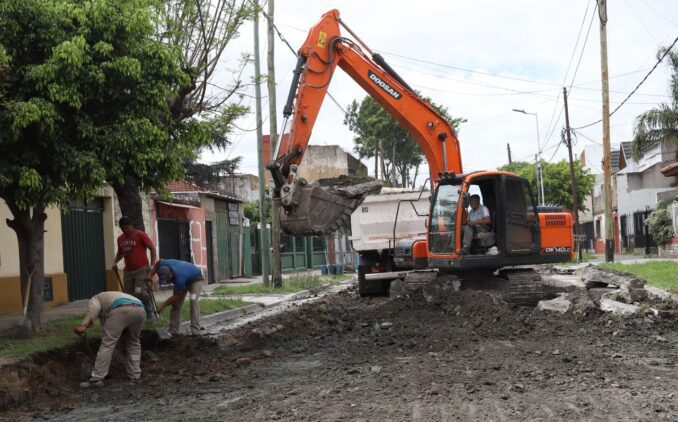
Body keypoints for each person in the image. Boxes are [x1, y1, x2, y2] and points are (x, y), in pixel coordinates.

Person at [74, 291, 145, 388]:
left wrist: (84, 325)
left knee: (107, 345)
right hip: (140, 310)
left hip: (121, 309)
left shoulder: (96, 298)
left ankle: (97, 378)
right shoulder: (113, 296)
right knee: (134, 342)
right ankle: (135, 375)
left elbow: (94, 308)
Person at [112, 216, 157, 319]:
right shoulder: (120, 239)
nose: (126, 230)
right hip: (128, 271)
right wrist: (114, 262)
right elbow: (120, 253)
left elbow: (152, 249)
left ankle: (149, 309)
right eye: (123, 229)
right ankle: (133, 316)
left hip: (141, 269)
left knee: (139, 292)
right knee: (127, 295)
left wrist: (152, 264)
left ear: (131, 225)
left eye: (127, 227)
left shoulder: (140, 235)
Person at [148, 259, 204, 336]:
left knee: (193, 301)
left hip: (195, 279)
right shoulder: (162, 264)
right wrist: (149, 276)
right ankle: (173, 330)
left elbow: (175, 296)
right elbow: (157, 264)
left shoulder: (179, 279)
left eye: (167, 279)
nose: (167, 281)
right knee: (176, 305)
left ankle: (195, 330)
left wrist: (161, 306)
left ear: (170, 274)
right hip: (185, 275)